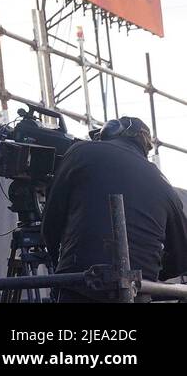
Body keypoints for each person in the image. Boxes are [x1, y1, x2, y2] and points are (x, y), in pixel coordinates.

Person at [41, 116, 187, 301]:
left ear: (109, 131)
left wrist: (58, 270)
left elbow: (51, 222)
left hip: (82, 285)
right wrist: (148, 275)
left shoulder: (81, 152)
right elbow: (182, 254)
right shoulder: (163, 183)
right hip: (137, 293)